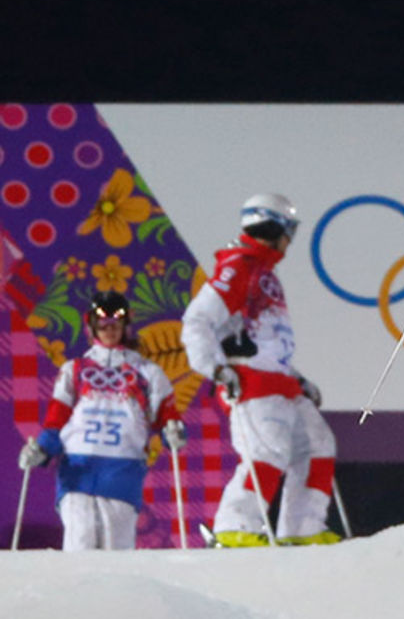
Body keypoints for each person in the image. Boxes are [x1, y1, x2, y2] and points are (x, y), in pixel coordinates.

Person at [181, 193, 340, 547]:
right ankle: (233, 527)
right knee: (266, 453)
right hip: (251, 382)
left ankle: (302, 529)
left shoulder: (262, 271)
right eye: (289, 230)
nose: (289, 239)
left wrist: (298, 379)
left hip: (280, 382)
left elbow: (267, 342)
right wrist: (218, 370)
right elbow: (197, 321)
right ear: (274, 226)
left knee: (317, 445)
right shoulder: (239, 266)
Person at [17, 291, 185, 550]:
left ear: (126, 326)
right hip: (77, 465)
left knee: (115, 548)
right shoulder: (75, 369)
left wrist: (172, 432)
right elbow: (57, 417)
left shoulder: (147, 371)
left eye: (115, 325)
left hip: (122, 468)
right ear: (92, 328)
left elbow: (167, 417)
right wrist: (41, 448)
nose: (109, 331)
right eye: (103, 326)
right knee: (79, 541)